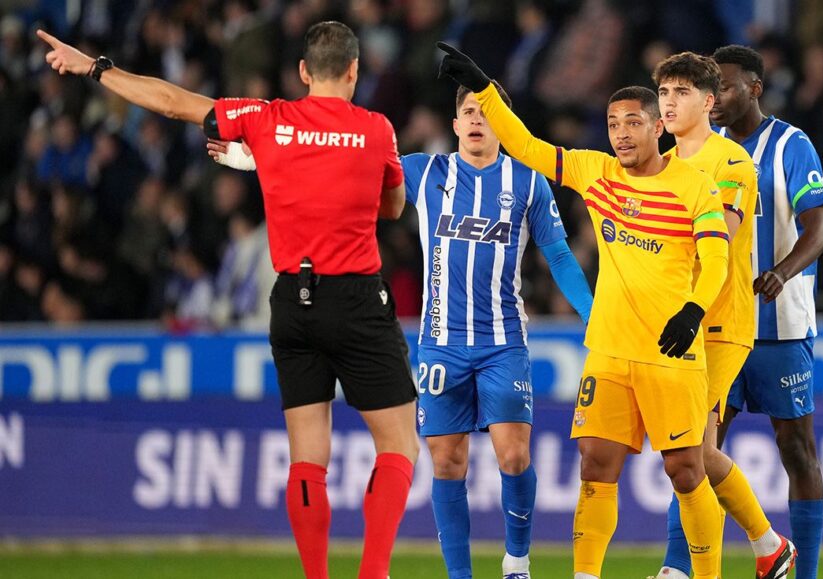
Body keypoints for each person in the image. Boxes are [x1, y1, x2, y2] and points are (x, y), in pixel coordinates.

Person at [37, 22, 419, 579]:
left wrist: (94, 67)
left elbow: (170, 102)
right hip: (357, 297)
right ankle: (373, 573)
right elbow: (392, 208)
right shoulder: (377, 129)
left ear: (304, 73)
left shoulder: (266, 120)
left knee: (309, 459)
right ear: (356, 71)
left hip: (292, 300)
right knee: (399, 446)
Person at [210, 81, 595, 579]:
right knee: (448, 462)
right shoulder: (426, 171)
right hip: (440, 344)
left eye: (487, 112)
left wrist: (591, 312)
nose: (477, 119)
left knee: (514, 454)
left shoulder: (528, 181)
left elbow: (559, 255)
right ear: (455, 125)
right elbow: (335, 173)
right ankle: (460, 575)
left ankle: (516, 562)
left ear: (503, 123)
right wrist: (252, 161)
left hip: (503, 342)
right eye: (468, 112)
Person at [437, 43, 731, 579]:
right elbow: (525, 145)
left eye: (633, 122)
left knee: (687, 472)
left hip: (671, 353)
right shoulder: (596, 173)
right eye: (613, 122)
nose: (621, 132)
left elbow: (716, 260)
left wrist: (692, 310)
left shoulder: (695, 187)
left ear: (658, 129)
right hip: (610, 352)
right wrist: (483, 87)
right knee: (594, 465)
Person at [652, 52, 794, 579]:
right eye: (664, 93)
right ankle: (768, 546)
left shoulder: (732, 161)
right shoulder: (661, 160)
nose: (668, 103)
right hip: (672, 324)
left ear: (709, 102)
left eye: (681, 92)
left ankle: (693, 568)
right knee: (695, 452)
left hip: (719, 322)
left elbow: (717, 239)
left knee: (688, 450)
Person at [711, 45, 823, 579]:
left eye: (727, 87)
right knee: (694, 451)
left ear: (755, 88)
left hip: (779, 328)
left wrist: (782, 272)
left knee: (797, 450)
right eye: (709, 88)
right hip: (716, 327)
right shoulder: (699, 149)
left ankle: (802, 572)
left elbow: (820, 227)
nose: (715, 98)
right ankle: (681, 567)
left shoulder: (792, 145)